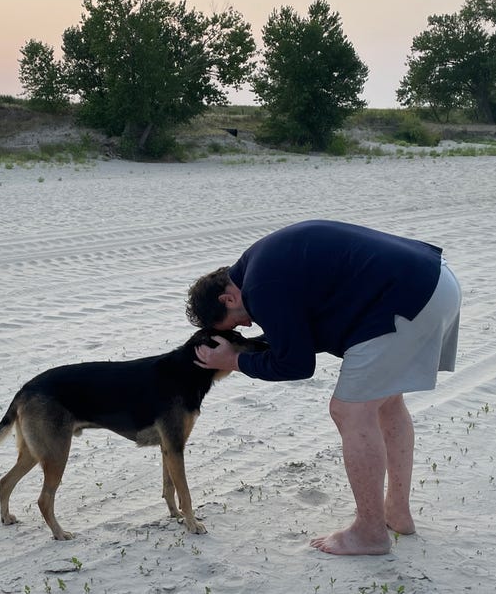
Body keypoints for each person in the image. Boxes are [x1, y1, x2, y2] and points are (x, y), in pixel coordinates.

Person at [187, 220, 461, 555]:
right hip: (434, 280)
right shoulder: (261, 264)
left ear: (227, 297)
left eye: (238, 322)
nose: (248, 325)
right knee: (386, 403)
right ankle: (397, 512)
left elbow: (296, 363)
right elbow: (293, 334)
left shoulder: (261, 286)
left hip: (405, 299)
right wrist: (245, 351)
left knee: (349, 411)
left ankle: (370, 533)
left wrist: (233, 361)